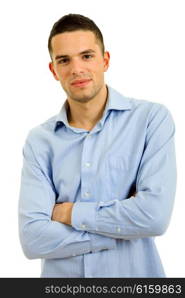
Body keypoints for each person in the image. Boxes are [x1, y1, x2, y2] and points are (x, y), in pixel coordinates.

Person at [18, 14, 177, 278]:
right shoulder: (39, 141)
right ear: (53, 70)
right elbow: (33, 239)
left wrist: (70, 213)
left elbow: (154, 216)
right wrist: (119, 232)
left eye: (87, 56)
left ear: (105, 61)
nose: (76, 69)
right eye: (64, 60)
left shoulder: (151, 120)